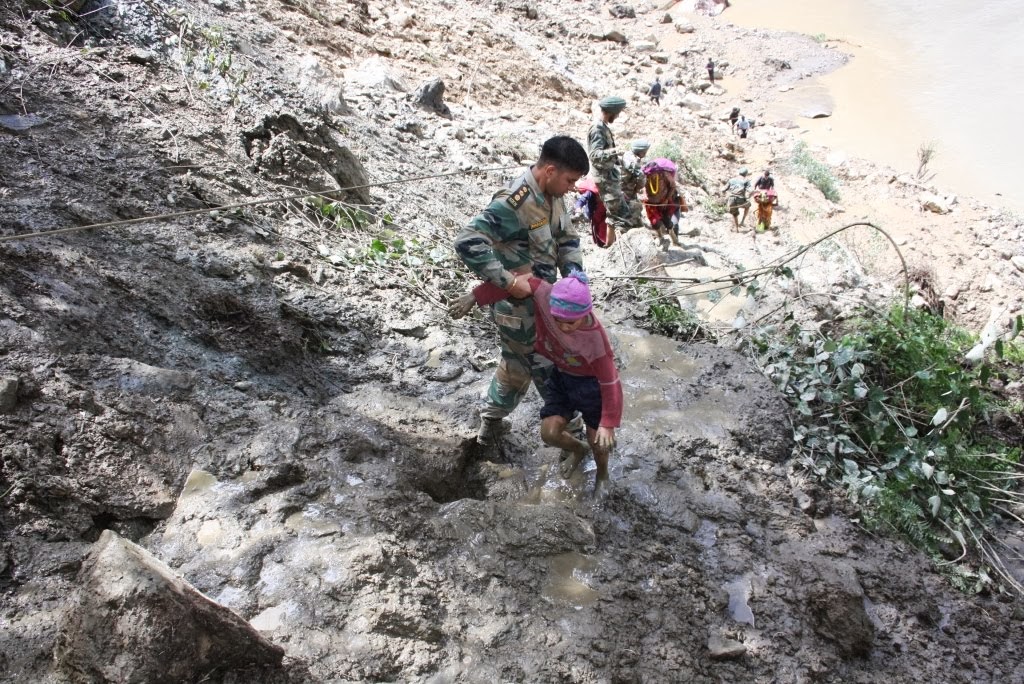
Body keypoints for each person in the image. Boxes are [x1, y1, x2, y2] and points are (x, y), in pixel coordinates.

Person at [454, 136, 589, 446]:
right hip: (518, 311)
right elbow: (467, 241)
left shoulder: (553, 196)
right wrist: (508, 282)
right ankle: (572, 437)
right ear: (551, 170)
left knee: (516, 368)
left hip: (547, 304)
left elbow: (567, 240)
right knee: (552, 369)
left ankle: (490, 425)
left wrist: (575, 278)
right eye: (570, 180)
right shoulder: (513, 203)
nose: (572, 188)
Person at [450, 271, 622, 500]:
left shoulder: (596, 340)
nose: (562, 326)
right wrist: (475, 296)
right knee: (548, 433)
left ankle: (602, 474)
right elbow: (511, 282)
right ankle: (578, 449)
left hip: (591, 387)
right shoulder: (544, 292)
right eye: (557, 319)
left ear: (585, 313)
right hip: (561, 378)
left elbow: (610, 382)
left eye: (570, 322)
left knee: (599, 441)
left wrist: (608, 423)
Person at [588, 96, 632, 245]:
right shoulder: (597, 128)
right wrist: (615, 151)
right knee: (620, 214)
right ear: (612, 112)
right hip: (604, 178)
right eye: (617, 113)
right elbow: (594, 155)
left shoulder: (603, 127)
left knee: (617, 213)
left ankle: (611, 245)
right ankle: (616, 247)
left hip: (609, 176)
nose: (618, 116)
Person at [641, 157, 687, 248]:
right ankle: (661, 237)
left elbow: (673, 186)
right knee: (655, 222)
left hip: (665, 201)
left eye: (653, 174)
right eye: (649, 174)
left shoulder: (665, 174)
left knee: (668, 221)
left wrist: (667, 199)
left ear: (657, 172)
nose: (651, 176)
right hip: (651, 203)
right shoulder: (645, 176)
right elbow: (641, 187)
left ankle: (674, 239)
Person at [620, 139, 651, 227]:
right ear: (640, 151)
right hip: (625, 191)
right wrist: (638, 187)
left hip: (623, 189)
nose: (646, 153)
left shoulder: (627, 154)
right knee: (633, 210)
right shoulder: (633, 161)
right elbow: (641, 177)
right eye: (645, 151)